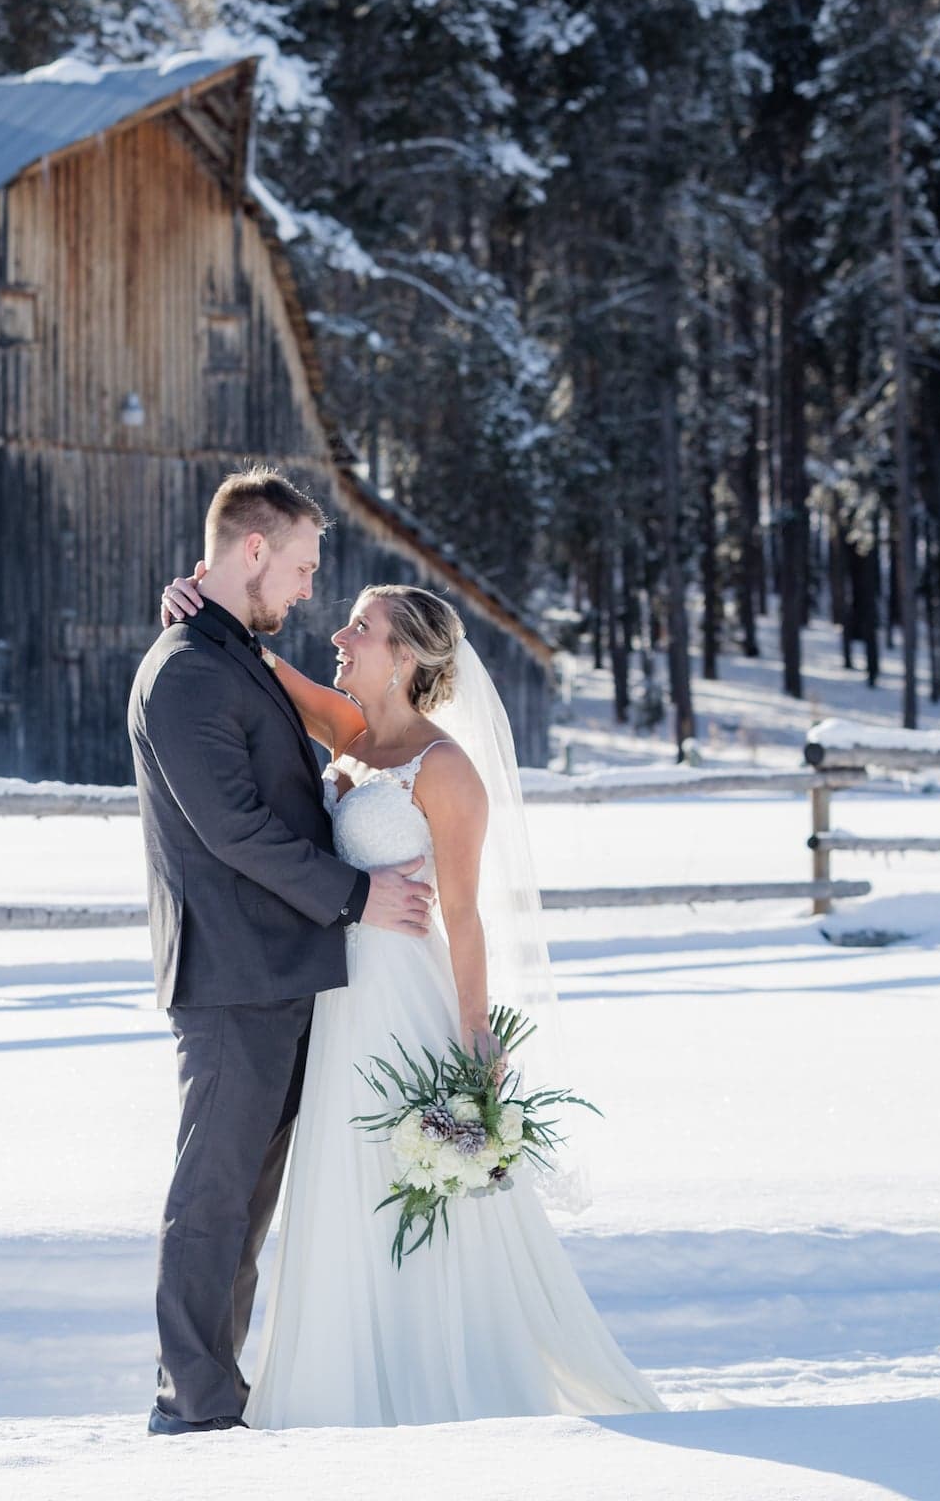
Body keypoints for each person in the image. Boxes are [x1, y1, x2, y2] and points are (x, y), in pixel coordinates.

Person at [158, 565, 664, 1428]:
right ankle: (338, 1375)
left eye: (361, 628)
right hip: (334, 997)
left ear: (402, 660)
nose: (339, 637)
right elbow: (264, 666)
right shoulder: (351, 732)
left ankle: (431, 1375)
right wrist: (192, 603)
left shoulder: (446, 768)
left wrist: (475, 1040)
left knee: (404, 1174)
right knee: (336, 1184)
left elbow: (465, 919)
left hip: (402, 1002)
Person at [127, 466, 434, 1436]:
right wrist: (358, 895)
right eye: (301, 566)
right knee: (212, 1198)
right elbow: (236, 829)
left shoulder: (227, 652)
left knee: (243, 1209)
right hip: (231, 979)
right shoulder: (185, 671)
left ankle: (219, 1391)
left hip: (276, 975)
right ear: (251, 550)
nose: (308, 590)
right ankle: (192, 1402)